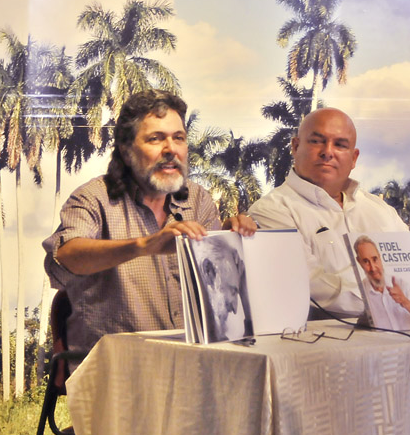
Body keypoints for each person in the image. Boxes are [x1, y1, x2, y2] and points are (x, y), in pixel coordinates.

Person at [42, 89, 256, 354]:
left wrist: (230, 239)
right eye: (156, 139)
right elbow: (66, 256)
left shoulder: (198, 200)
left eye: (179, 138)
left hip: (193, 359)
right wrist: (146, 245)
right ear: (126, 149)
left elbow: (216, 285)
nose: (171, 150)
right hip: (116, 367)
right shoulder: (93, 198)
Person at [248, 107, 410, 318]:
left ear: (354, 158)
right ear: (295, 146)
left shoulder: (378, 209)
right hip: (324, 345)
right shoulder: (271, 211)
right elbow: (314, 286)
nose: (328, 151)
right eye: (317, 141)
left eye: (340, 144)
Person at [352, 235, 410, 330]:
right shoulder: (360, 290)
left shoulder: (401, 283)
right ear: (359, 262)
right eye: (366, 261)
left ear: (380, 257)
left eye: (375, 259)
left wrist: (405, 301)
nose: (373, 268)